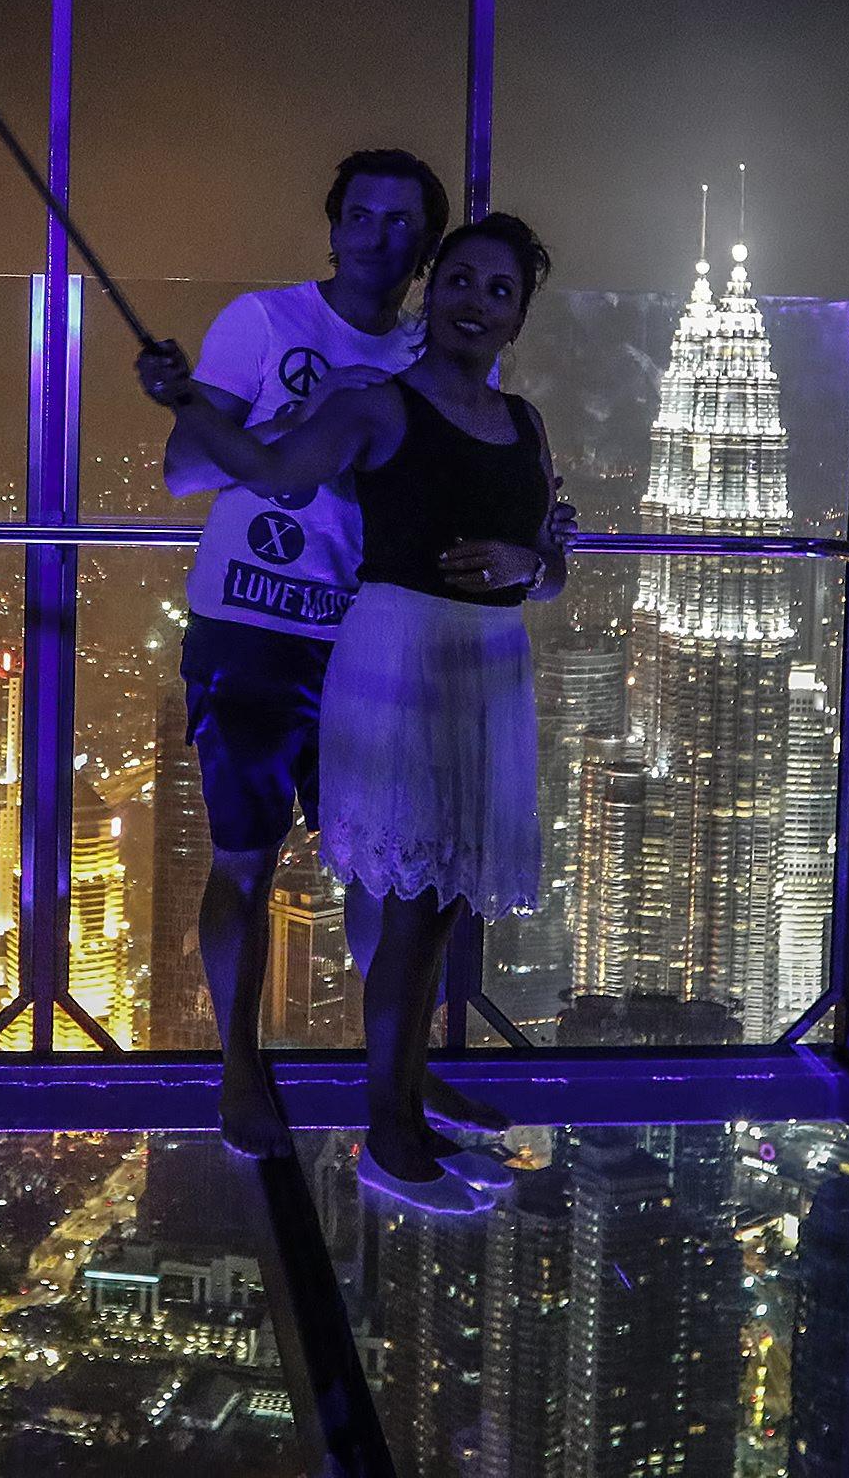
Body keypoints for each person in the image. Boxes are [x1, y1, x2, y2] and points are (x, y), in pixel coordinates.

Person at [140, 214, 566, 1214]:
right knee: (411, 902)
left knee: (444, 895)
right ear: (432, 292)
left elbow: (549, 556)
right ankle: (392, 1132)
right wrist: (184, 397)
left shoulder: (526, 422)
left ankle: (406, 1095)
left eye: (497, 289)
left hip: (487, 670)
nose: (474, 299)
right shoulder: (378, 405)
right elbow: (271, 469)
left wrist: (531, 564)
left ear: (519, 317)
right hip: (400, 659)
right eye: (458, 279)